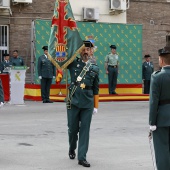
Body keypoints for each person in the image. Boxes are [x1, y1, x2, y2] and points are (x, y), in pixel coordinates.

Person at [66, 41, 99, 167]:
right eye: (83, 49)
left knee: (85, 130)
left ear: (92, 52)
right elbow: (61, 61)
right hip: (73, 100)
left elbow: (96, 88)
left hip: (88, 102)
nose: (85, 52)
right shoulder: (73, 63)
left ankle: (82, 157)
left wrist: (96, 105)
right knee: (73, 129)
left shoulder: (95, 68)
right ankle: (72, 147)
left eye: (88, 50)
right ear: (80, 51)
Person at [149, 46, 170, 170]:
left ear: (161, 60)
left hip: (161, 119)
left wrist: (152, 122)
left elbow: (153, 102)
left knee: (162, 150)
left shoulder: (157, 76)